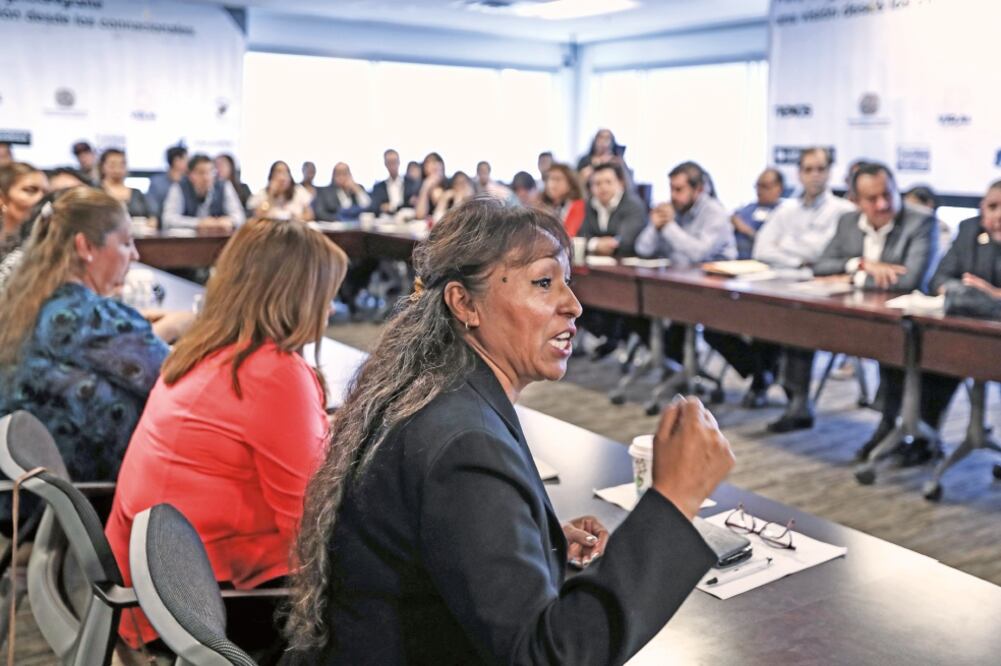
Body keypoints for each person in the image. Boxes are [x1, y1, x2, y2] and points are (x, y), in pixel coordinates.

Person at [284, 198, 735, 664]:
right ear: (464, 303)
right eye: (543, 283)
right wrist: (675, 500)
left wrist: (532, 538)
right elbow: (546, 657)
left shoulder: (435, 390)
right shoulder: (465, 443)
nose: (573, 306)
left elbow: (431, 549)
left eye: (567, 283)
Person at [105, 218, 348, 649]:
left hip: (152, 589)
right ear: (294, 295)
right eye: (325, 296)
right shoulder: (274, 372)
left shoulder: (207, 349)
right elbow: (311, 524)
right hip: (203, 607)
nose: (330, 309)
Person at [0, 188, 192, 493]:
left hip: (30, 496)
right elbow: (182, 382)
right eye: (126, 243)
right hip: (97, 494)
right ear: (86, 247)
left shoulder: (26, 302)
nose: (136, 255)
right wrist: (179, 327)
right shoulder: (93, 319)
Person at [769, 163, 938, 434]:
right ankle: (798, 403)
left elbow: (909, 281)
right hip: (848, 309)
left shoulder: (921, 222)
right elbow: (822, 266)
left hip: (898, 320)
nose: (882, 204)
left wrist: (850, 278)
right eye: (872, 199)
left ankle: (889, 426)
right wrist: (860, 264)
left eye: (888, 194)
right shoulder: (848, 221)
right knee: (799, 318)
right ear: (855, 201)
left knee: (893, 338)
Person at [855, 180, 1001, 464]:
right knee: (927, 350)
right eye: (992, 207)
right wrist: (976, 295)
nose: (998, 215)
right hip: (965, 332)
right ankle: (919, 436)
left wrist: (989, 294)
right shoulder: (970, 230)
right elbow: (940, 279)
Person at [576, 162, 649, 359]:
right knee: (578, 296)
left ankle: (618, 339)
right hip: (599, 275)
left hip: (630, 278)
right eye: (597, 183)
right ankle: (608, 338)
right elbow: (580, 238)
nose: (602, 188)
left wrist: (597, 243)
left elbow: (624, 243)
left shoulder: (632, 205)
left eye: (608, 182)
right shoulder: (592, 205)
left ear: (621, 183)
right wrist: (595, 244)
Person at [753, 148, 857, 269]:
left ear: (829, 173)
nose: (815, 175)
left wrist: (783, 243)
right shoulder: (785, 209)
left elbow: (821, 253)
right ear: (799, 174)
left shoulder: (845, 211)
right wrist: (798, 262)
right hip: (780, 279)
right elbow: (760, 250)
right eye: (808, 170)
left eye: (820, 169)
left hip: (823, 281)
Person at [636, 161, 736, 266]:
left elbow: (699, 254)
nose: (673, 196)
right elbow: (642, 250)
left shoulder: (715, 212)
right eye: (671, 189)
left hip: (712, 278)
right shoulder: (672, 208)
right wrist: (655, 228)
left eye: (679, 190)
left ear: (698, 189)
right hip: (677, 275)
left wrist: (668, 226)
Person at [162, 154, 245, 232]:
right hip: (188, 241)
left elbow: (240, 217)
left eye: (210, 172)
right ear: (190, 175)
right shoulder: (179, 187)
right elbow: (168, 219)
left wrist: (229, 221)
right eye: (201, 173)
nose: (206, 177)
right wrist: (199, 223)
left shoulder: (224, 186)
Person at [732, 168, 785, 260]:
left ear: (778, 188)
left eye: (765, 186)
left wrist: (746, 230)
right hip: (733, 259)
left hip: (763, 262)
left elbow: (775, 243)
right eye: (758, 186)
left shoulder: (783, 212)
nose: (759, 191)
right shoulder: (746, 209)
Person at [0, 162, 48, 261]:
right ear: (2, 198)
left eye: (46, 193)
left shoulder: (49, 247)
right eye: (30, 190)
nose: (41, 198)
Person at [248, 160, 314, 221]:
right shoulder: (262, 193)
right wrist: (270, 195)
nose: (282, 177)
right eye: (278, 172)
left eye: (286, 172)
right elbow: (258, 215)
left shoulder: (299, 191)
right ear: (271, 176)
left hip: (294, 228)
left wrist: (296, 218)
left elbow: (310, 215)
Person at [99, 149, 150, 218]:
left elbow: (150, 216)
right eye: (112, 165)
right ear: (102, 167)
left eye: (121, 165)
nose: (117, 169)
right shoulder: (96, 191)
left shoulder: (137, 193)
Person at [540, 163, 585, 237]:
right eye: (549, 179)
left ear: (570, 183)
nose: (551, 184)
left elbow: (569, 235)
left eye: (557, 179)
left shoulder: (578, 205)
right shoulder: (543, 207)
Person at [904, 184, 952, 254]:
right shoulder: (901, 226)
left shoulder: (942, 230)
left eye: (912, 208)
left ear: (929, 205)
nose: (907, 213)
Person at [370, 148, 419, 214]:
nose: (392, 165)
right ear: (385, 164)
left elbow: (414, 202)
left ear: (399, 162)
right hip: (386, 220)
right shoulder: (378, 187)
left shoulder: (411, 183)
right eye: (389, 162)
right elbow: (374, 207)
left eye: (394, 161)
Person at [146, 145, 188, 219]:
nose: (189, 163)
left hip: (185, 224)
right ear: (177, 161)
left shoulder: (188, 182)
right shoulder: (157, 182)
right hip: (161, 224)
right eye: (186, 159)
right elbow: (152, 207)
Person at [414, 152, 447, 220]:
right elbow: (420, 215)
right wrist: (425, 187)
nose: (434, 165)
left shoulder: (450, 184)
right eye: (429, 162)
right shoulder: (420, 186)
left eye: (436, 161)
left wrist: (445, 198)